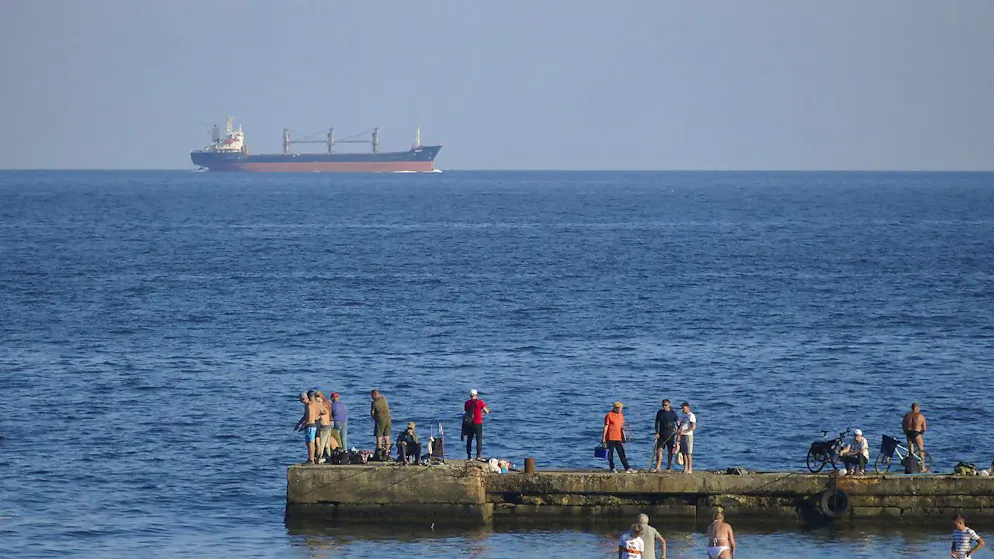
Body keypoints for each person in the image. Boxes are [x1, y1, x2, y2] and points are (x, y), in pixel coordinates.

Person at [602, 401, 636, 473]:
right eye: (619, 408)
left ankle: (627, 468)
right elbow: (605, 427)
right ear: (615, 408)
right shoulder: (609, 415)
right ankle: (612, 468)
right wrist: (603, 438)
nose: (621, 410)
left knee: (622, 453)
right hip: (610, 438)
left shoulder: (621, 415)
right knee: (610, 454)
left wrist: (624, 437)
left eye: (621, 408)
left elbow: (622, 427)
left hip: (619, 438)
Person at [293, 391, 323, 464]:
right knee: (308, 443)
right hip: (309, 425)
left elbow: (309, 418)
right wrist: (298, 424)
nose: (300, 401)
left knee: (311, 443)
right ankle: (310, 458)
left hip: (310, 426)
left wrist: (303, 426)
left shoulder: (309, 405)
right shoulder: (306, 405)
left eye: (300, 399)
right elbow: (305, 416)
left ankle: (311, 459)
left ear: (304, 398)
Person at [651, 399, 680, 472]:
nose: (664, 406)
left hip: (670, 435)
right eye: (663, 405)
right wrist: (657, 432)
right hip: (661, 435)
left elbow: (678, 423)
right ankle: (658, 467)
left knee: (670, 452)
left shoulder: (673, 413)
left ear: (669, 405)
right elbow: (656, 423)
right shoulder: (660, 412)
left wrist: (678, 432)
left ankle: (668, 467)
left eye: (666, 405)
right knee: (659, 450)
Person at [463, 389, 490, 460]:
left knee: (469, 439)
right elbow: (486, 411)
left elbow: (467, 411)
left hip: (469, 423)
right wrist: (482, 412)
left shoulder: (467, 403)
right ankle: (478, 456)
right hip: (477, 423)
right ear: (476, 395)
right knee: (479, 439)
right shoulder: (480, 402)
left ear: (470, 395)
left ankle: (469, 456)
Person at [902, 402, 928, 471]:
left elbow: (903, 426)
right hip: (916, 433)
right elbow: (924, 428)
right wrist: (921, 433)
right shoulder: (921, 416)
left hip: (909, 433)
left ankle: (910, 466)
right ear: (916, 408)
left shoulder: (907, 415)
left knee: (911, 451)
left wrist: (906, 433)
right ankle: (923, 467)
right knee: (921, 450)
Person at [314, 390, 336, 463]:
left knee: (322, 444)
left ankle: (319, 458)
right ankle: (329, 457)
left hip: (324, 428)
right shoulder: (327, 405)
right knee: (326, 444)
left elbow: (317, 417)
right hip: (328, 426)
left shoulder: (321, 408)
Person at [370, 389, 392, 455]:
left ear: (374, 395)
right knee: (387, 437)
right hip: (388, 419)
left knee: (379, 437)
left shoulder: (374, 403)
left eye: (371, 395)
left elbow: (372, 413)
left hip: (380, 420)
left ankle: (379, 453)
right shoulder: (384, 399)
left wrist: (374, 418)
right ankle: (387, 452)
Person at [677, 402, 696, 474]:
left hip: (688, 435)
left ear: (687, 407)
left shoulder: (691, 415)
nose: (682, 409)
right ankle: (685, 468)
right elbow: (681, 425)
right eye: (682, 408)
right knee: (683, 453)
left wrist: (685, 431)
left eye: (683, 408)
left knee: (688, 453)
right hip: (682, 435)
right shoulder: (683, 416)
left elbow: (693, 427)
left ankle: (690, 469)